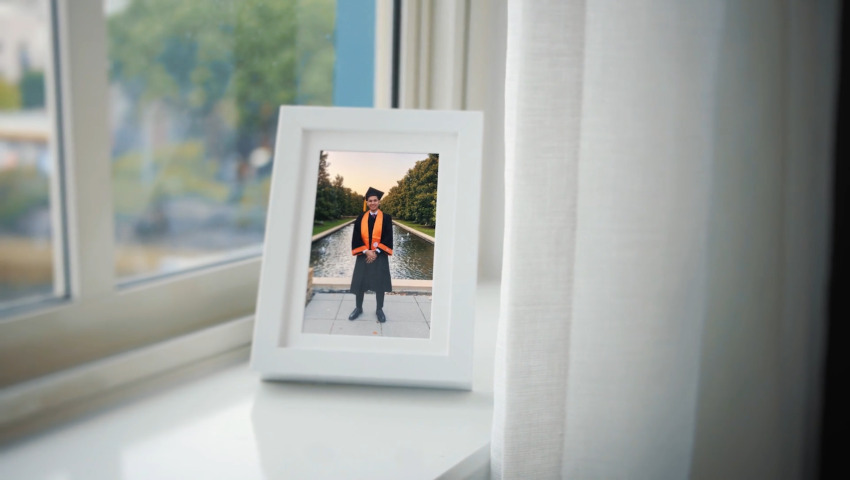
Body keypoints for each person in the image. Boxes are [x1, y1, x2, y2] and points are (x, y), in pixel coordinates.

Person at [348, 187, 394, 323]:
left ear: (379, 202)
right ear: (367, 203)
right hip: (363, 255)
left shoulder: (386, 218)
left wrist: (376, 252)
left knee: (380, 284)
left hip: (379, 256)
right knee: (360, 283)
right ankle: (358, 308)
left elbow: (388, 237)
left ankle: (379, 309)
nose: (372, 203)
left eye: (375, 200)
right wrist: (366, 251)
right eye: (370, 201)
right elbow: (356, 237)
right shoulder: (360, 217)